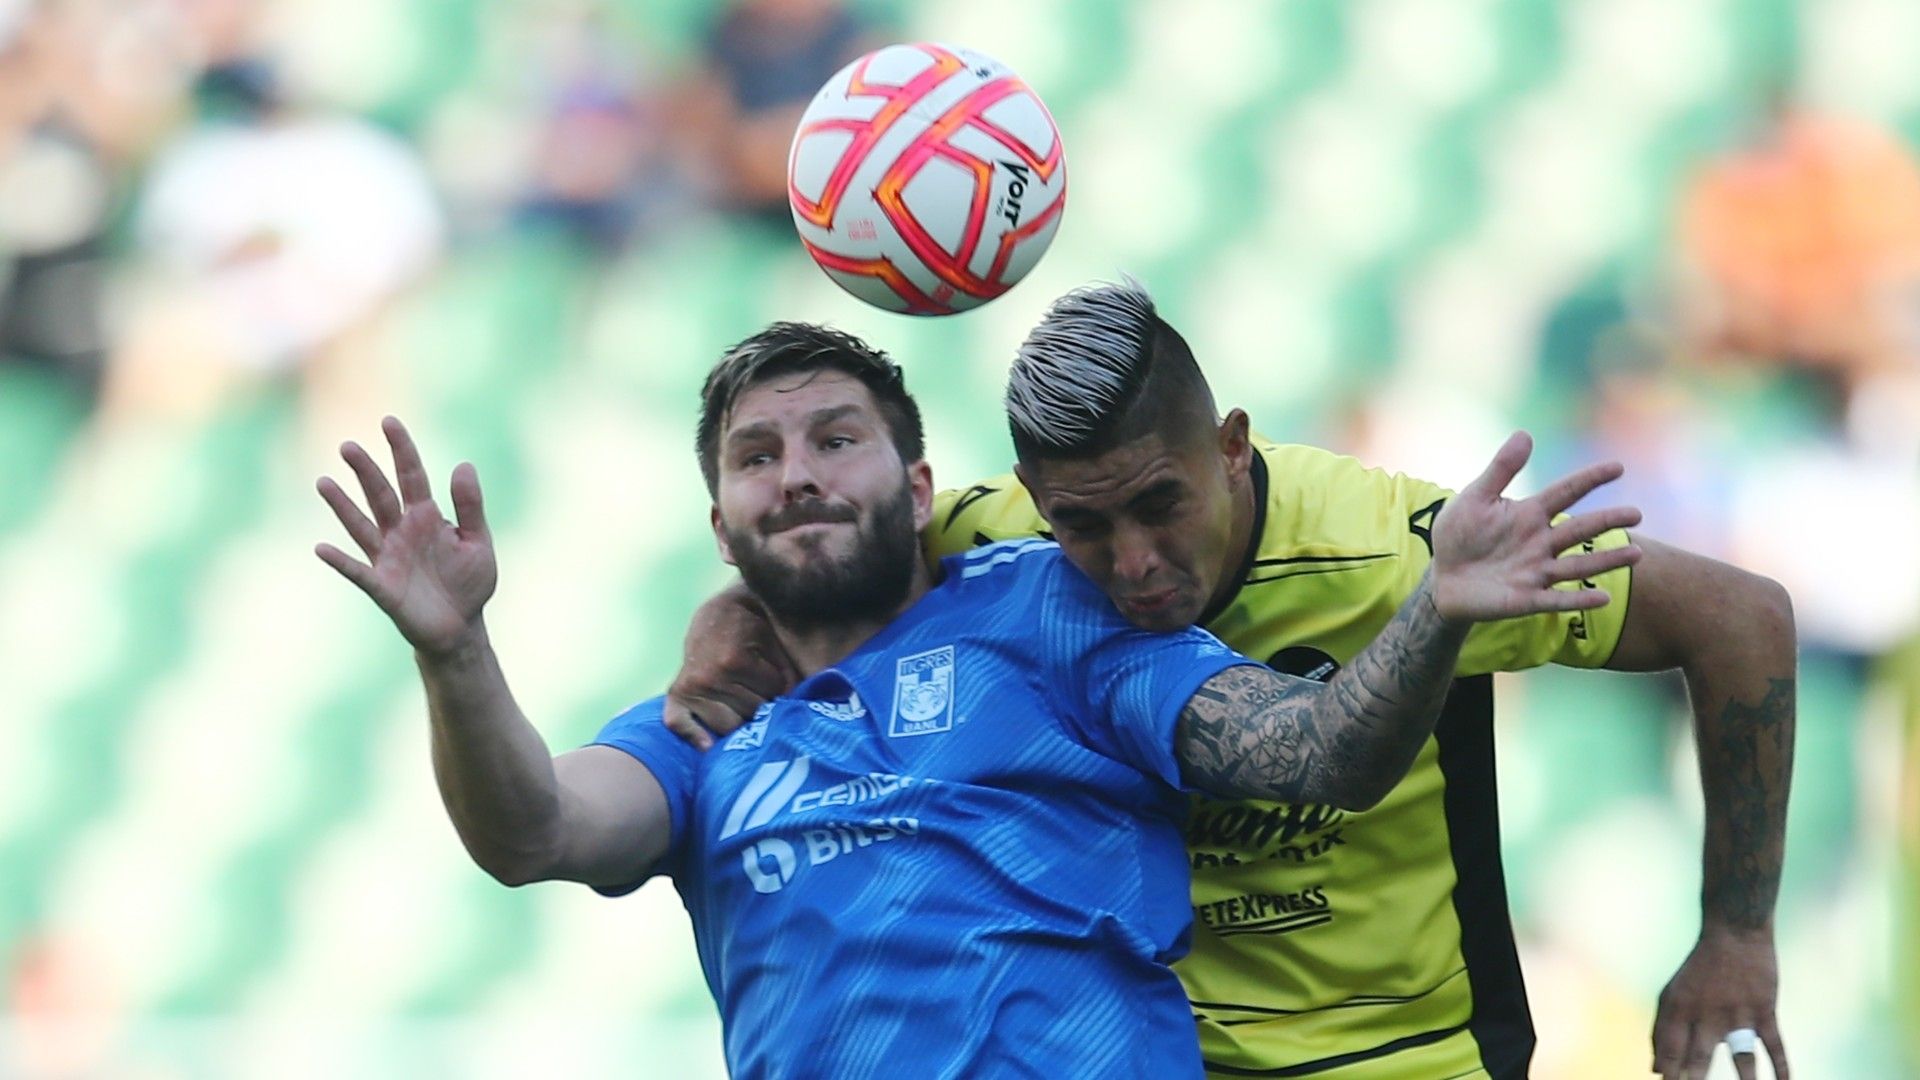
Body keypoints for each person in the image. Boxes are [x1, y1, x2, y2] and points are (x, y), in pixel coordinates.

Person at [314, 321, 1638, 1078]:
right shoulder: (706, 726)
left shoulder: (1054, 613)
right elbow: (535, 832)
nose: (800, 474)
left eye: (838, 437)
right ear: (720, 522)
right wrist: (453, 652)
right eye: (757, 457)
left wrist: (1436, 607)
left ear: (920, 478)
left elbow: (1311, 755)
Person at [666, 285, 1796, 1080]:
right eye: (1086, 527)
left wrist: (1735, 931)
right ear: (1032, 497)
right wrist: (732, 617)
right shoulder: (996, 547)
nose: (1134, 564)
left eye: (1162, 504)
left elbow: (1744, 619)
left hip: (1401, 1059)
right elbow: (831, 555)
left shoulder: (1396, 546)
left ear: (1232, 447)